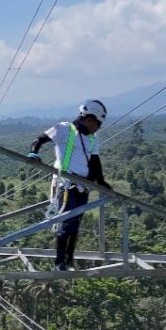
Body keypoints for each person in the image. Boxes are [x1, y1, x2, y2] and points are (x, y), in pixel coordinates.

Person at [28, 99, 111, 271]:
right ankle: (60, 262)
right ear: (89, 119)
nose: (99, 128)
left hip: (83, 186)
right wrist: (33, 153)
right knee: (66, 222)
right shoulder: (65, 129)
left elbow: (95, 162)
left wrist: (101, 182)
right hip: (66, 183)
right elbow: (40, 139)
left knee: (76, 223)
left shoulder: (92, 138)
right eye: (98, 124)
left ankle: (69, 260)